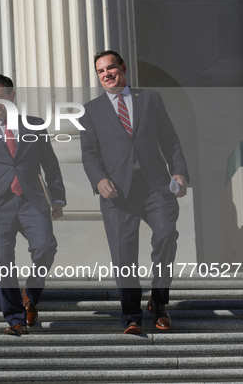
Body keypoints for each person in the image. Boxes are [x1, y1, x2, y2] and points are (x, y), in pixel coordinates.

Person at [80, 50, 189, 335]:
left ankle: (159, 302)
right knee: (124, 256)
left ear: (123, 68)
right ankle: (130, 315)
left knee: (166, 235)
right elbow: (89, 154)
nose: (106, 74)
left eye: (111, 68)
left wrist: (179, 171)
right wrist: (99, 180)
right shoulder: (90, 110)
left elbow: (169, 139)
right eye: (101, 71)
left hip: (155, 186)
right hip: (118, 193)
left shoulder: (150, 98)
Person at [0, 74, 66, 335]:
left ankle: (29, 295)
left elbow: (50, 165)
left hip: (31, 200)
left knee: (45, 247)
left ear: (12, 96)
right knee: (2, 261)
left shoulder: (35, 125)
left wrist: (59, 198)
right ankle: (15, 319)